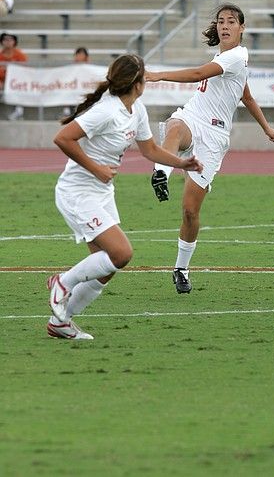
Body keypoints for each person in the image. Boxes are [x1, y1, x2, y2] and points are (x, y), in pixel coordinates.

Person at [47, 54, 202, 340]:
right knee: (122, 253)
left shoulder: (136, 109)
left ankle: (61, 322)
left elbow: (150, 150)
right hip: (77, 192)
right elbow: (63, 138)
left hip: (102, 193)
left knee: (105, 268)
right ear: (138, 83)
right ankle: (61, 283)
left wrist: (182, 163)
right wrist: (96, 168)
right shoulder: (106, 110)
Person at [145, 3, 274, 294]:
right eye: (221, 21)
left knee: (190, 211)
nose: (225, 25)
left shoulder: (238, 55)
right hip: (193, 116)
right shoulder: (227, 57)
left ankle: (181, 268)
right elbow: (246, 95)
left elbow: (198, 75)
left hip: (215, 136)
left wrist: (158, 75)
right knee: (175, 127)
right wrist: (267, 127)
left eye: (231, 21)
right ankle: (160, 173)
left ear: (242, 28)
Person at [0, 32, 27, 120]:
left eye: (10, 39)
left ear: (14, 42)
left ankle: (19, 111)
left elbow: (24, 71)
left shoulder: (20, 55)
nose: (7, 42)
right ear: (2, 42)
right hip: (2, 81)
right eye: (5, 39)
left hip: (16, 81)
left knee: (20, 86)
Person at [61, 47, 91, 119]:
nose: (80, 56)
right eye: (78, 54)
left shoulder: (90, 68)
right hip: (74, 92)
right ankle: (67, 110)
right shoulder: (71, 69)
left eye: (82, 54)